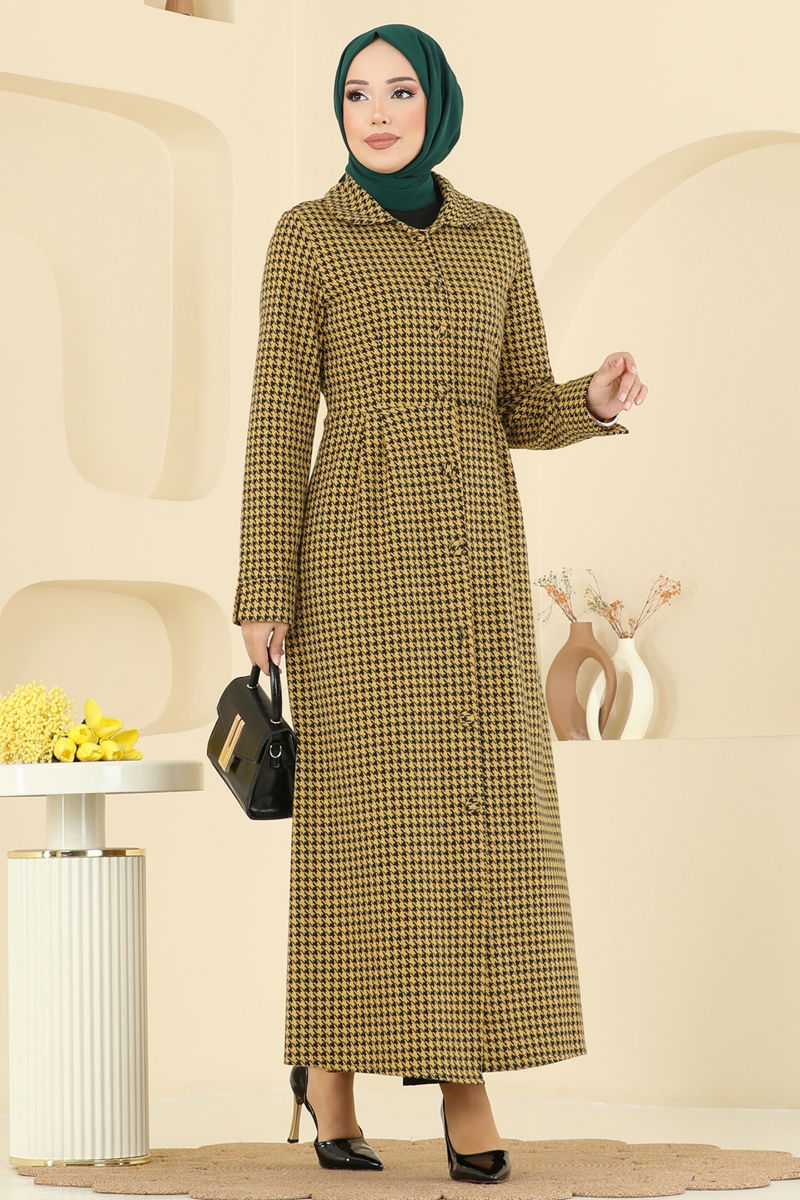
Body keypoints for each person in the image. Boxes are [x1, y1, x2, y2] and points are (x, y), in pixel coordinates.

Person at [233, 22, 647, 1185]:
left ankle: (422, 1069)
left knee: (477, 814)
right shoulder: (306, 235)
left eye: (399, 90)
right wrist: (263, 585)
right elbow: (278, 413)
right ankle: (360, 1077)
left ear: (437, 104)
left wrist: (590, 401)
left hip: (473, 555)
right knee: (364, 825)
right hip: (352, 555)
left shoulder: (493, 236)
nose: (375, 112)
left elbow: (516, 402)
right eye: (355, 93)